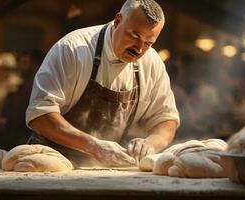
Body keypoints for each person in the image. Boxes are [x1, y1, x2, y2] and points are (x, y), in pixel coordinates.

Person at [26, 0, 180, 167]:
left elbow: (166, 120)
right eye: (135, 36)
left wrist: (150, 143)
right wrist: (93, 146)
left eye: (148, 43)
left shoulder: (152, 62)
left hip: (105, 169)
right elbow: (40, 115)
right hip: (49, 164)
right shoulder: (72, 49)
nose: (139, 49)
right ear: (118, 21)